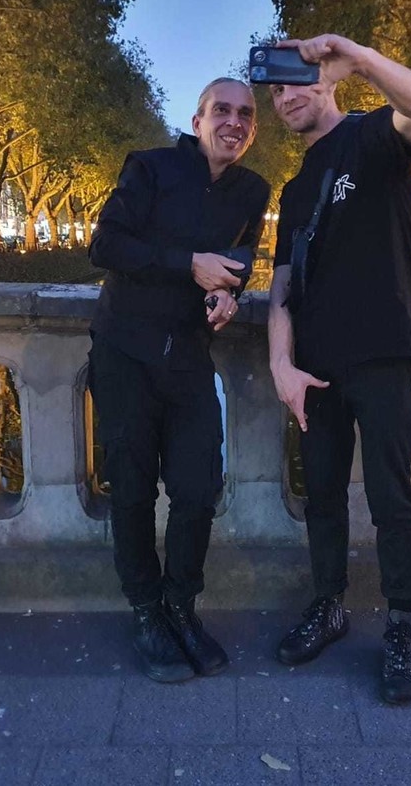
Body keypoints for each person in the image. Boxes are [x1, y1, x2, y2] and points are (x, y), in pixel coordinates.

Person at [266, 34, 411, 705]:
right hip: (316, 368)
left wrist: (359, 57)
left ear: (326, 80)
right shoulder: (294, 189)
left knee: (392, 497)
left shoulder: (372, 138)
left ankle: (400, 625)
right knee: (322, 496)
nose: (286, 98)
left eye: (296, 81)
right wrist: (281, 364)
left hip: (383, 353)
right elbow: (282, 286)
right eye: (276, 90)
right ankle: (329, 604)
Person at [88, 78, 270, 683]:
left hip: (190, 357)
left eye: (245, 114)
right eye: (222, 110)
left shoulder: (253, 191)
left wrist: (226, 295)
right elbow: (105, 245)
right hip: (125, 352)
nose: (234, 121)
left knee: (198, 490)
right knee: (132, 490)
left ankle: (180, 606)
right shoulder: (149, 168)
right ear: (198, 121)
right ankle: (146, 611)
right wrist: (187, 264)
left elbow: (240, 262)